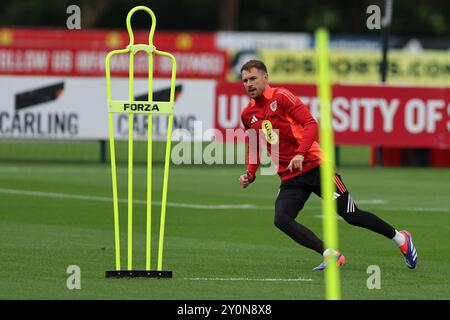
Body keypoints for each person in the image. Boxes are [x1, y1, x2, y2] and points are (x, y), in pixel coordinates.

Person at [238, 60, 418, 270]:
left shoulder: (281, 97)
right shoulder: (247, 114)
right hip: (290, 177)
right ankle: (329, 254)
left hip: (316, 168)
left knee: (351, 215)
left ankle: (401, 238)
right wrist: (250, 173)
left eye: (253, 78)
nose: (249, 84)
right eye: (244, 80)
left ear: (265, 77)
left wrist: (300, 153)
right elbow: (255, 144)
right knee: (281, 219)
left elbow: (310, 124)